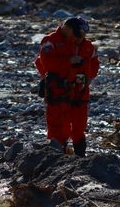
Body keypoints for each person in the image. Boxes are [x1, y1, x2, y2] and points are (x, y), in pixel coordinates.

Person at [34, 16, 99, 156]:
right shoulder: (50, 42)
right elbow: (45, 63)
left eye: (81, 36)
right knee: (58, 126)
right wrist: (69, 61)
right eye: (76, 35)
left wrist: (89, 77)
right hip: (58, 91)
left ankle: (80, 156)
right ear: (67, 29)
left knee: (79, 125)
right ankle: (57, 156)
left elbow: (94, 62)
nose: (78, 39)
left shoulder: (87, 46)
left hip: (80, 92)